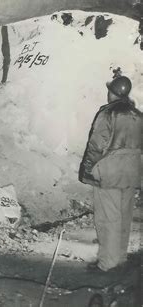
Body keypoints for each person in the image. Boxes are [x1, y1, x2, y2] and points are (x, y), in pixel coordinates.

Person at [79, 75, 142, 272]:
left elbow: (96, 145)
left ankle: (108, 264)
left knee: (108, 218)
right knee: (124, 216)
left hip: (110, 171)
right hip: (132, 171)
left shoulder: (107, 114)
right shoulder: (138, 115)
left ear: (112, 92)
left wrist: (87, 170)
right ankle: (119, 259)